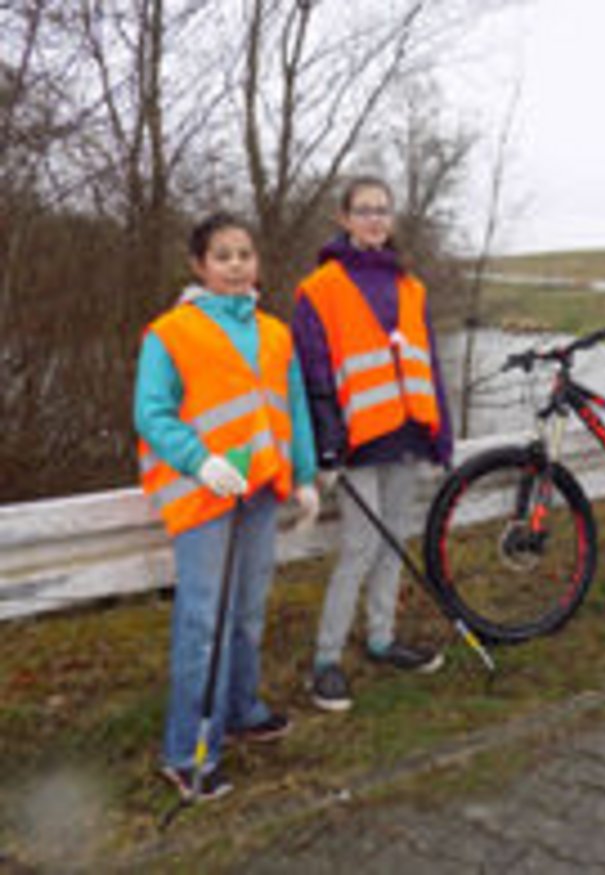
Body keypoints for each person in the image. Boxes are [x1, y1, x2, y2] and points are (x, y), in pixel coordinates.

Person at [135, 213, 320, 802]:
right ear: (199, 266)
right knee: (203, 624)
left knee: (246, 614)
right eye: (222, 255)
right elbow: (151, 413)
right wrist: (199, 461)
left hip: (259, 490)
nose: (236, 265)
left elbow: (293, 408)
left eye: (244, 253)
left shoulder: (275, 333)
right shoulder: (171, 333)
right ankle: (187, 752)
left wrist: (305, 477)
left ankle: (241, 710)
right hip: (203, 495)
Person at [293, 175, 453, 713]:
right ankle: (326, 661)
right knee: (360, 548)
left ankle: (382, 639)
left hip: (407, 434)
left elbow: (429, 365)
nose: (375, 219)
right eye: (364, 210)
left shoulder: (411, 287)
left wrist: (441, 435)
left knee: (393, 542)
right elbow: (314, 374)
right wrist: (327, 445)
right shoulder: (320, 288)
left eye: (382, 209)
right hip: (358, 441)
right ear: (344, 218)